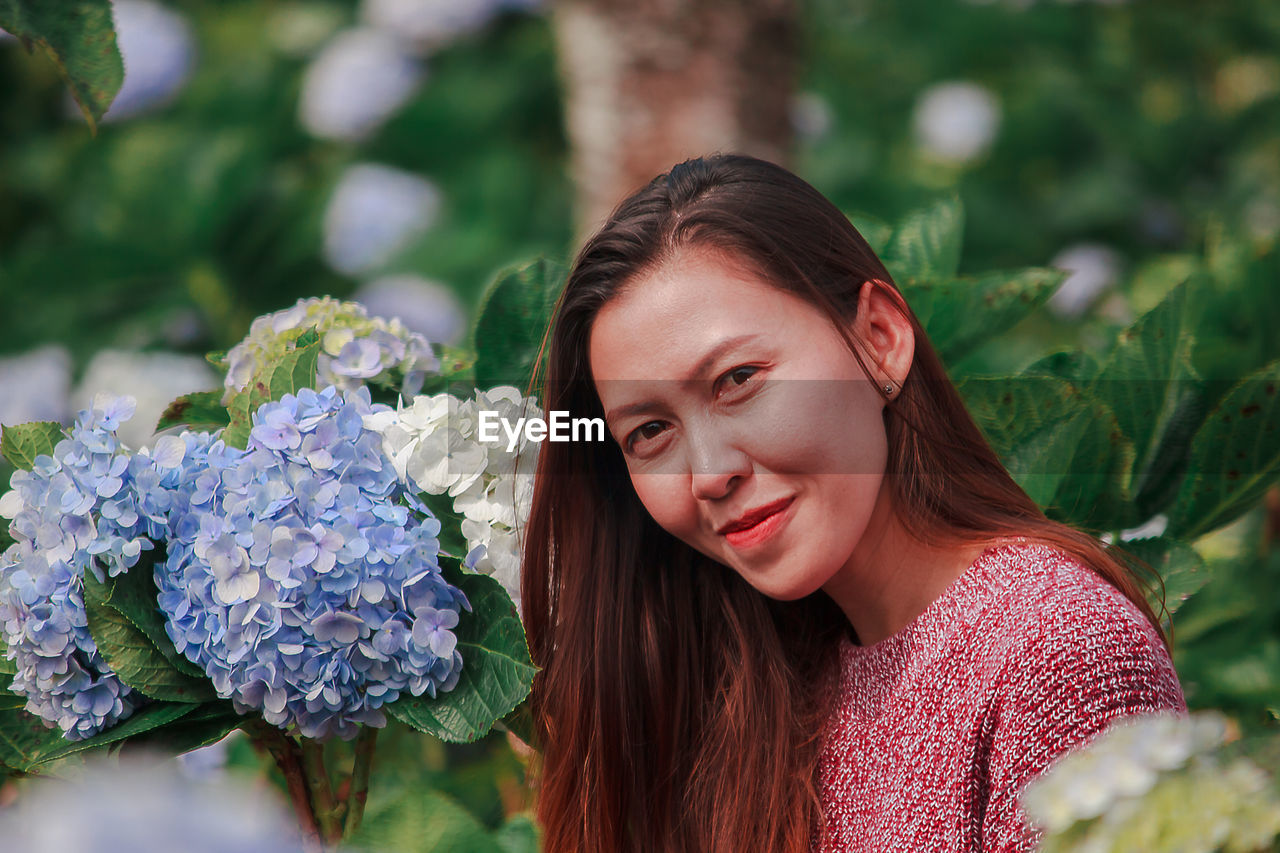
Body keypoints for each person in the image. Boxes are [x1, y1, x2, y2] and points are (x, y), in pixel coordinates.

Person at [519, 153, 1186, 853]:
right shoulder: (757, 686)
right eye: (650, 430)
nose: (708, 473)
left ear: (879, 340)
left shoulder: (1057, 650)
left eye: (738, 379)